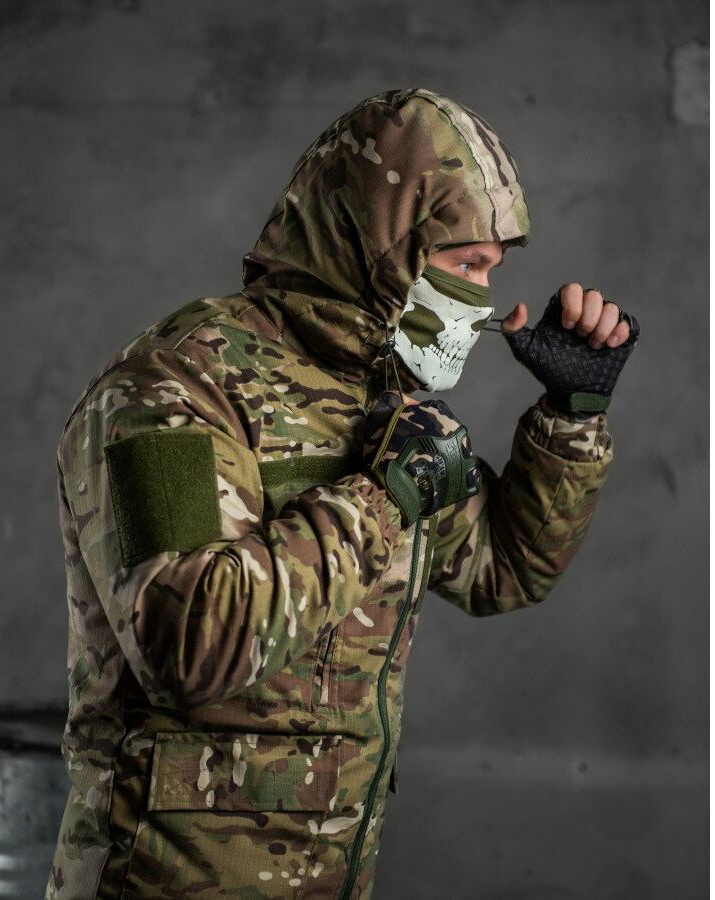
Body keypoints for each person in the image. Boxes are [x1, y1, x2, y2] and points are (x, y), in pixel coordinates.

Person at [45, 87, 639, 899]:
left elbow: (501, 570)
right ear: (382, 244)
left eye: (492, 271)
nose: (484, 299)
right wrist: (381, 498)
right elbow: (186, 646)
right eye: (466, 264)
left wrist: (571, 418)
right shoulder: (174, 387)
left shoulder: (382, 405)